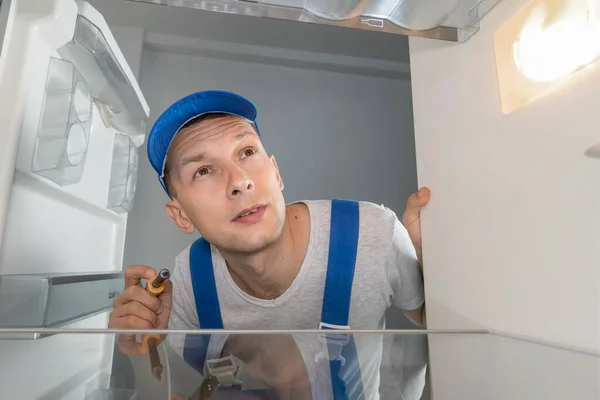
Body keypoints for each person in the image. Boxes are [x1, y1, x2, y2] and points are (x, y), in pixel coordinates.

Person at [108, 90, 431, 399]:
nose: (239, 181)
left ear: (275, 173)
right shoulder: (189, 285)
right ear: (180, 216)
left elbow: (433, 319)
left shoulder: (371, 233)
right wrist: (144, 345)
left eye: (246, 152)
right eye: (204, 170)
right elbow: (179, 391)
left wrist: (438, 266)